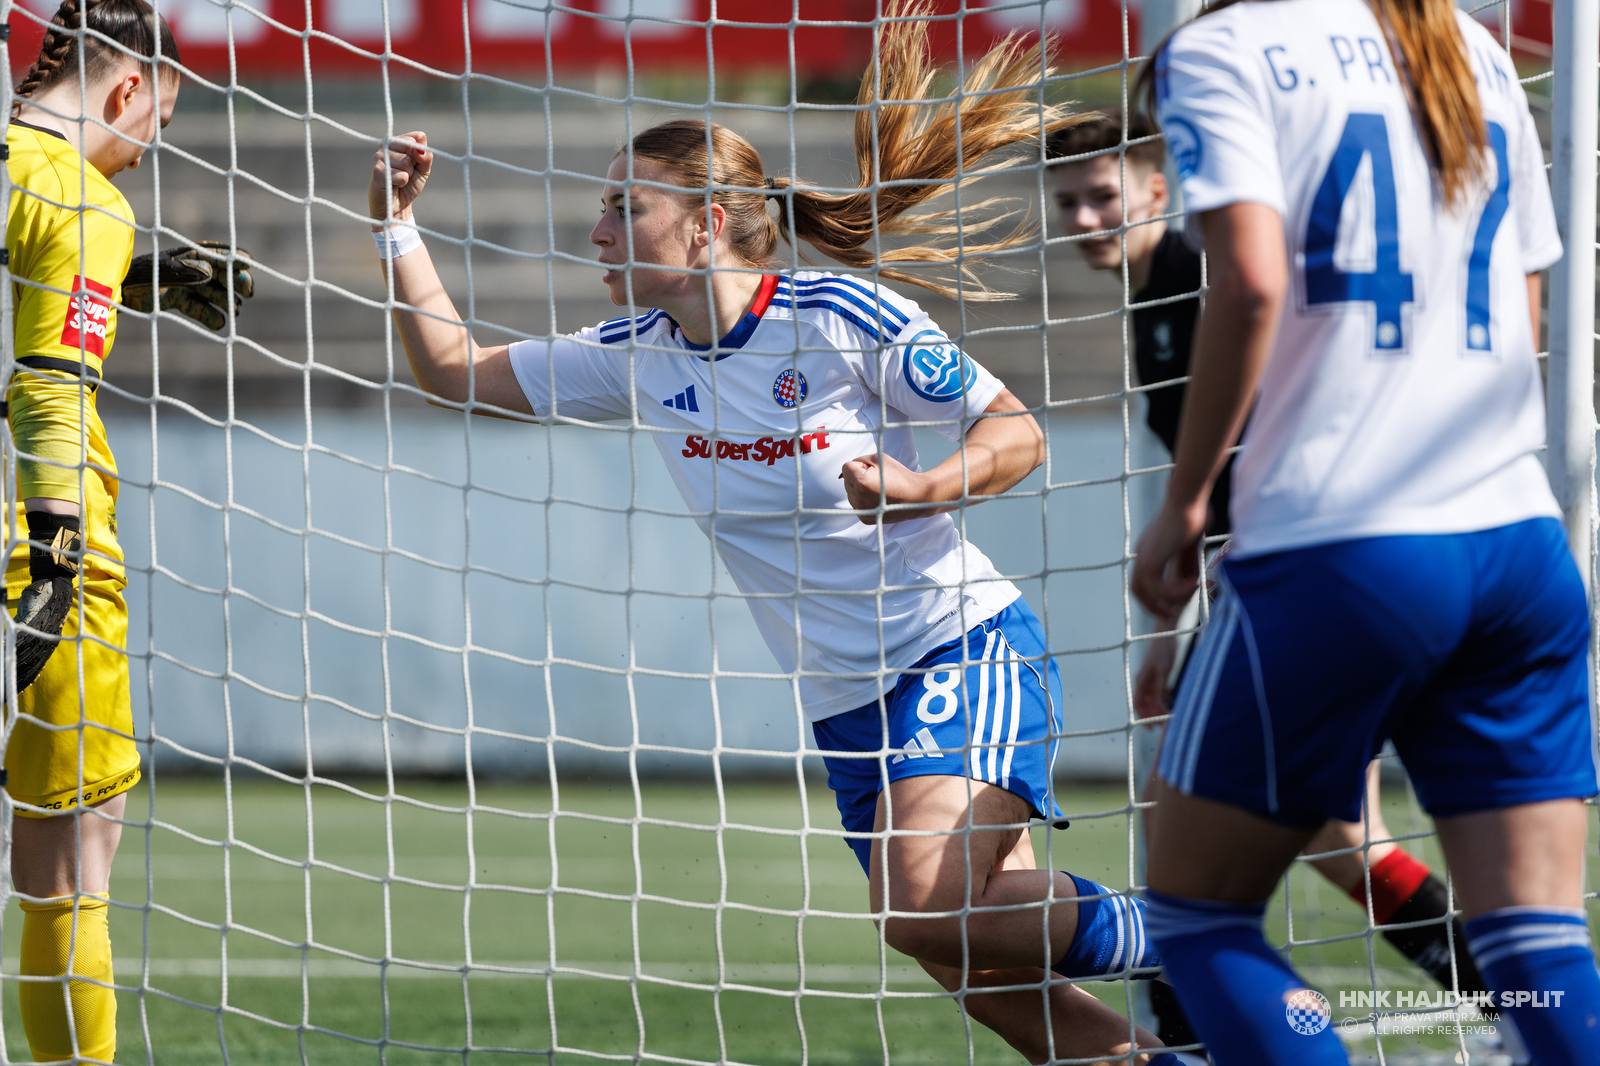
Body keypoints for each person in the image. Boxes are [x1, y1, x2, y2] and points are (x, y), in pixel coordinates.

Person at [366, 7, 1196, 1064]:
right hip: (846, 704)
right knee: (980, 972)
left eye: (628, 207)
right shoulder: (637, 352)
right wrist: (396, 229)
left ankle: (1181, 931)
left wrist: (923, 481)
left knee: (921, 912)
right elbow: (453, 372)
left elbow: (1017, 432)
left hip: (958, 643)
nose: (598, 233)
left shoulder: (840, 316)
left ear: (707, 224)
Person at [1129, 0, 1600, 1063]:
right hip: (1516, 542)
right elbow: (1524, 309)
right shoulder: (1467, 44)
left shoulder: (1224, 48)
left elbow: (1248, 282)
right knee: (1535, 940)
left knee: (1199, 914)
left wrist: (1189, 497)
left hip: (1342, 544)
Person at [1050, 110, 1494, 1021]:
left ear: (1158, 191)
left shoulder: (1198, 279)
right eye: (1068, 204)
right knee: (1338, 838)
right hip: (1285, 580)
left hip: (1307, 576)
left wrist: (1201, 612)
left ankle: (1199, 1026)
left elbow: (1257, 455)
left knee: (1184, 817)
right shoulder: (1151, 295)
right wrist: (1173, 639)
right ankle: (1509, 1005)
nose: (1086, 220)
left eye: (1103, 197)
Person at [6, 2, 249, 1060]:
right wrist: (52, 558)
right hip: (38, 540)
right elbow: (50, 386)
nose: (149, 150)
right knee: (69, 862)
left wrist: (132, 280)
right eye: (155, 123)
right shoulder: (83, 194)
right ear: (124, 90)